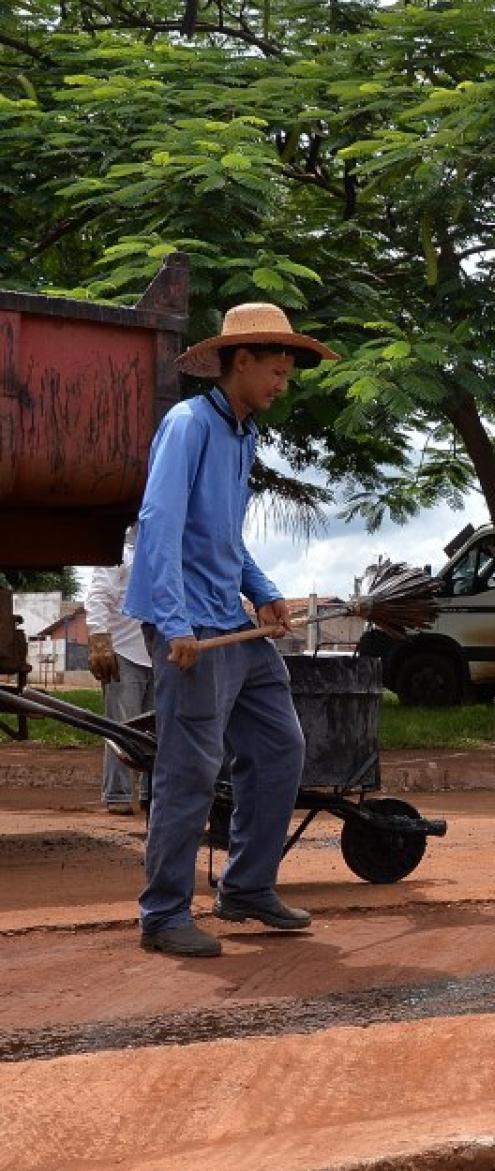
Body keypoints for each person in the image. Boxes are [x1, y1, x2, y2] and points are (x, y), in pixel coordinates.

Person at [122, 303, 339, 957]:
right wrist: (173, 622)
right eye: (276, 371)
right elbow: (159, 524)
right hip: (191, 627)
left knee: (279, 748)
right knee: (189, 770)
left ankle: (246, 887)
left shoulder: (242, 435)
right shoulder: (188, 424)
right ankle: (163, 914)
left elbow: (225, 538)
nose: (282, 384)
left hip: (231, 621)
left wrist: (265, 594)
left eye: (287, 374)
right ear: (240, 361)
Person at [85, 523, 153, 814]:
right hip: (124, 653)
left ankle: (152, 794)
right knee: (121, 730)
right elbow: (99, 596)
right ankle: (118, 794)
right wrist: (99, 637)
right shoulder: (119, 555)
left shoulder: (164, 555)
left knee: (156, 732)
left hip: (158, 654)